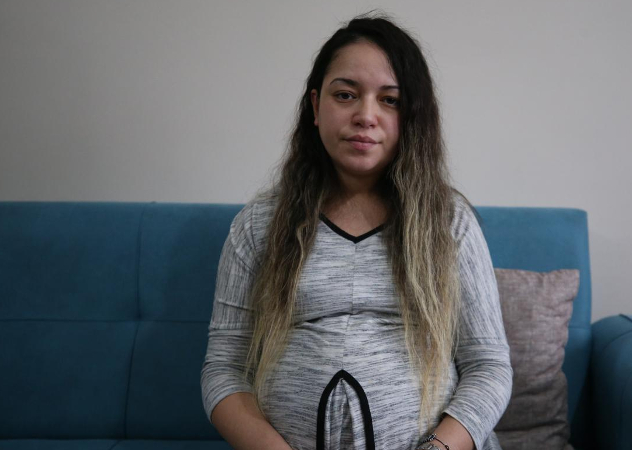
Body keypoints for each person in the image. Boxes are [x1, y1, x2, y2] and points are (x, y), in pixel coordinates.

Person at [200, 11, 512, 450]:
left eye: (390, 100)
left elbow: (489, 367)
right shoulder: (259, 224)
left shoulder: (449, 222)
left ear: (413, 116)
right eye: (345, 95)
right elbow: (224, 369)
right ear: (315, 107)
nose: (366, 115)